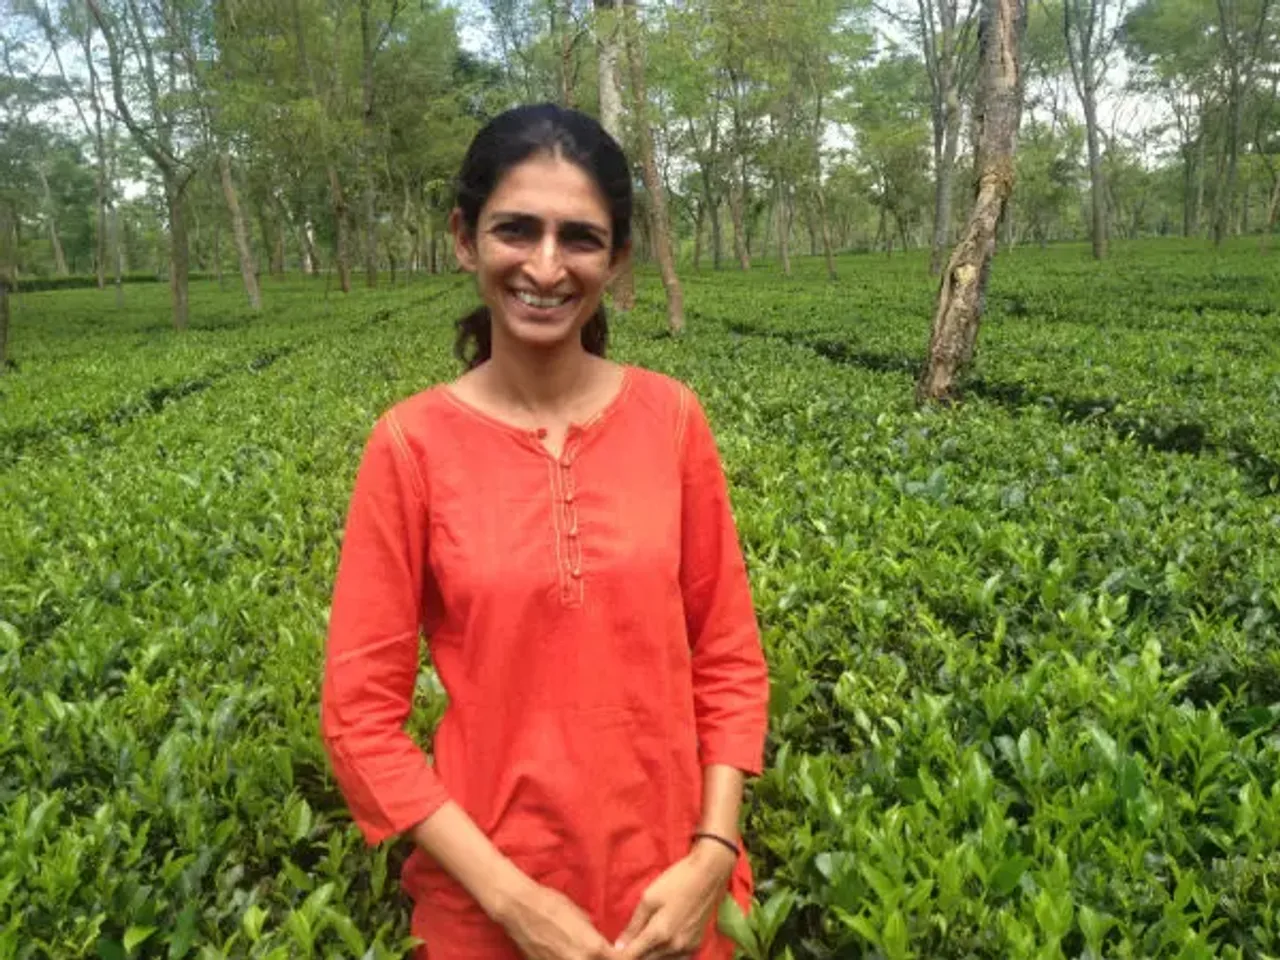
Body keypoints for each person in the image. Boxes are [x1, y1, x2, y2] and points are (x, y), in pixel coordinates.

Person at [320, 103, 769, 960]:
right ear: (464, 238)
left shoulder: (672, 420)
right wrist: (514, 903)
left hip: (675, 897)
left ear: (619, 258)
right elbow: (359, 717)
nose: (546, 266)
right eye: (516, 230)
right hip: (488, 908)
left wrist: (713, 857)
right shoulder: (410, 445)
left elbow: (728, 657)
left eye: (581, 238)